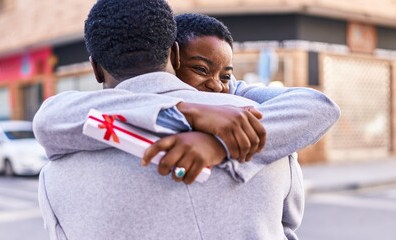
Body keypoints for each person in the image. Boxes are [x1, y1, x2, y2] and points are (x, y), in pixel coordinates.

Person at [35, 1, 340, 239]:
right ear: (176, 54)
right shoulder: (257, 128)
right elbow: (287, 228)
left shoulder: (58, 170)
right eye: (203, 70)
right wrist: (186, 110)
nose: (217, 85)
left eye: (226, 76)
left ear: (95, 68)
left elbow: (49, 119)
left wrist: (212, 135)